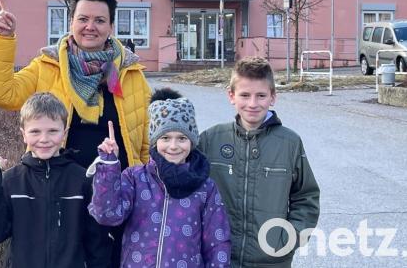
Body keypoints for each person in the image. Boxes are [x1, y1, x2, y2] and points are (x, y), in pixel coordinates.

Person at [0, 0, 151, 170]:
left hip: (119, 191)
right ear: (71, 22)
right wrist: (4, 39)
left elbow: (144, 146)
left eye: (100, 20)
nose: (90, 26)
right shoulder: (47, 66)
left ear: (111, 26)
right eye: (83, 19)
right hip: (57, 191)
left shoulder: (131, 74)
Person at [197, 56, 320, 267]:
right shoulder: (210, 139)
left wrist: (288, 239)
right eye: (245, 95)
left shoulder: (289, 143)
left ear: (273, 97)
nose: (252, 104)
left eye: (261, 95)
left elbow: (306, 196)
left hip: (272, 261)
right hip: (219, 258)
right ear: (231, 96)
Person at [88, 93, 231, 268]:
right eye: (165, 138)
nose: (173, 146)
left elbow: (217, 244)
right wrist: (109, 166)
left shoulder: (206, 188)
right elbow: (107, 215)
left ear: (192, 142)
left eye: (182, 138)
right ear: (155, 141)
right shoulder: (134, 178)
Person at [0, 93, 110, 268]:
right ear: (23, 134)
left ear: (65, 133)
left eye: (52, 131)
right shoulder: (11, 181)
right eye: (35, 131)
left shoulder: (83, 181)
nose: (44, 139)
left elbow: (97, 243)